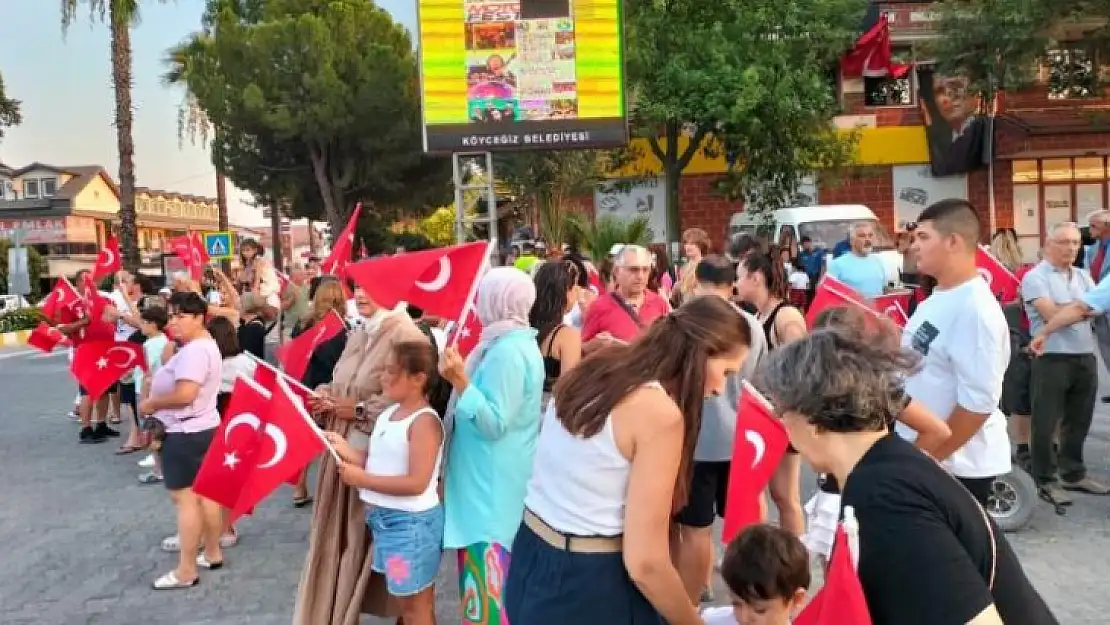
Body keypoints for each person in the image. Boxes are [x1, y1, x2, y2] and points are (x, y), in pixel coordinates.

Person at [758, 329, 1059, 625]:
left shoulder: (884, 501)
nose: (784, 428)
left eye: (783, 413)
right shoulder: (891, 465)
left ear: (812, 419)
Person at [504, 295, 751, 625]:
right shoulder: (658, 413)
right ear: (701, 355)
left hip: (530, 553)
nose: (722, 388)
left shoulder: (600, 365)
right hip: (590, 582)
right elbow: (646, 563)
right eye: (727, 371)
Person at [294, 286, 429, 625]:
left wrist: (354, 408)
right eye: (359, 287)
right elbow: (342, 379)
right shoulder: (360, 331)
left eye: (373, 286)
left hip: (372, 454)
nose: (363, 294)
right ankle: (337, 610)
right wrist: (324, 394)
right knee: (342, 538)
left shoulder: (406, 334)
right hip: (342, 445)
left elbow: (404, 400)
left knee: (380, 553)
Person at [438, 267, 545, 625]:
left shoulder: (508, 352)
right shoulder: (505, 344)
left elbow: (495, 423)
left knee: (488, 591)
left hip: (491, 491)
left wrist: (460, 382)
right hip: (489, 484)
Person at [900, 199, 1012, 506]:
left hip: (956, 464)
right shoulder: (938, 297)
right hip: (928, 454)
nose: (914, 246)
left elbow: (978, 404)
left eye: (923, 237)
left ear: (953, 241)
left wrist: (925, 459)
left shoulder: (974, 309)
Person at [325, 341, 445, 625]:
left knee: (415, 605)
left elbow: (417, 482)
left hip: (409, 527)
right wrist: (348, 451)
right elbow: (381, 460)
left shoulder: (424, 422)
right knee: (410, 601)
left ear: (418, 379)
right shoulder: (391, 413)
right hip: (388, 524)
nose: (383, 377)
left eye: (392, 371)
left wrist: (362, 478)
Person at [673, 256, 767, 604]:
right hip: (742, 439)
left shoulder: (685, 323)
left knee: (695, 530)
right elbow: (761, 382)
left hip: (694, 441)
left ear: (696, 280)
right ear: (732, 284)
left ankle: (693, 600)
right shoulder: (751, 325)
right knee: (744, 527)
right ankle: (751, 600)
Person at [138, 291, 225, 589]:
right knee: (207, 495)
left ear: (200, 318)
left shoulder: (195, 351)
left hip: (186, 431)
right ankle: (212, 551)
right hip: (202, 427)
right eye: (172, 316)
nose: (174, 322)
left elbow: (186, 393)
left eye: (181, 316)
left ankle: (186, 569)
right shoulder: (202, 346)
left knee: (185, 499)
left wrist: (153, 404)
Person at [1021, 222, 1107, 503]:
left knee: (1079, 418)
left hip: (1083, 354)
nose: (1071, 248)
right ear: (1048, 244)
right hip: (1051, 356)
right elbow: (1050, 314)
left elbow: (1095, 308)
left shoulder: (1083, 276)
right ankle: (1044, 477)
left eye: (1075, 243)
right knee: (1045, 421)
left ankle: (1073, 472)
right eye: (1064, 242)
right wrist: (1081, 308)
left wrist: (1076, 308)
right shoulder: (1036, 277)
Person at [734, 249, 806, 537]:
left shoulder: (785, 315)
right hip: (764, 416)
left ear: (755, 277)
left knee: (786, 496)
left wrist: (786, 409)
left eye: (739, 277)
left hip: (781, 417)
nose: (736, 283)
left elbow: (802, 365)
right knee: (769, 493)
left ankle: (796, 557)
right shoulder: (760, 314)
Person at [701, 524, 810, 625]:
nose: (744, 619)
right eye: (736, 603)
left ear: (796, 599)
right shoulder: (713, 621)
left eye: (759, 610)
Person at [582, 245, 671, 352]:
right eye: (633, 269)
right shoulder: (599, 307)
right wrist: (594, 345)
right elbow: (581, 351)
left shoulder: (659, 304)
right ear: (616, 271)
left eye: (645, 270)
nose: (640, 276)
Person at [530, 261, 584, 399]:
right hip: (550, 413)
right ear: (565, 292)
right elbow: (569, 390)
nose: (578, 291)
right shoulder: (567, 336)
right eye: (575, 286)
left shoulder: (524, 328)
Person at [826, 222, 887, 298]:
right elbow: (825, 293)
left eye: (870, 235)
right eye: (862, 236)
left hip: (877, 309)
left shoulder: (877, 261)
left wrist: (901, 292)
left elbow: (884, 289)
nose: (867, 239)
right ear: (852, 241)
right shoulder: (837, 264)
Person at [673, 228, 711, 307]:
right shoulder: (684, 267)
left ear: (701, 245)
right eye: (686, 243)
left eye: (692, 243)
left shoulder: (706, 265)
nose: (687, 246)